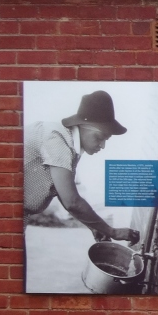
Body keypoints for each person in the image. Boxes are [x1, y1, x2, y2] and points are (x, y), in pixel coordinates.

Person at [24, 89, 140, 244]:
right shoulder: (56, 138)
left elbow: (62, 191)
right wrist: (112, 231)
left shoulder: (69, 144)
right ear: (83, 126)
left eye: (106, 140)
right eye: (100, 137)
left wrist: (94, 226)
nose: (103, 145)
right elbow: (71, 201)